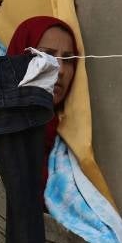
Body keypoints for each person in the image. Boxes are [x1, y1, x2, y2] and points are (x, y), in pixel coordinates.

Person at [7, 15, 79, 192]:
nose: (60, 69)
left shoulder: (72, 151)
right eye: (47, 55)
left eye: (68, 60)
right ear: (20, 59)